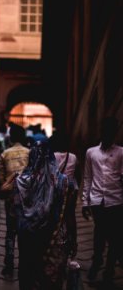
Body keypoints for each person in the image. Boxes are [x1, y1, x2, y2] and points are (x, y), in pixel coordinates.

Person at [13, 141, 77, 290]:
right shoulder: (64, 182)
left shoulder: (20, 183)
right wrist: (73, 240)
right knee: (51, 281)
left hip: (28, 241)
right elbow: (69, 215)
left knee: (30, 279)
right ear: (51, 158)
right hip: (54, 241)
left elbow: (14, 213)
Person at [82, 116, 123, 283]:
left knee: (115, 237)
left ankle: (109, 268)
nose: (108, 135)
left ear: (114, 133)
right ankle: (97, 260)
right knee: (99, 233)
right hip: (97, 200)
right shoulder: (91, 152)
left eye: (111, 132)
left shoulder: (121, 152)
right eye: (106, 131)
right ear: (102, 132)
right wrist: (85, 202)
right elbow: (87, 177)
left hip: (116, 200)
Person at [0, 124, 29, 279]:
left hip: (11, 199)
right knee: (25, 232)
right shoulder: (29, 153)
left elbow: (1, 179)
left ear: (11, 137)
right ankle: (25, 263)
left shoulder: (4, 154)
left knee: (10, 233)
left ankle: (8, 265)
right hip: (27, 200)